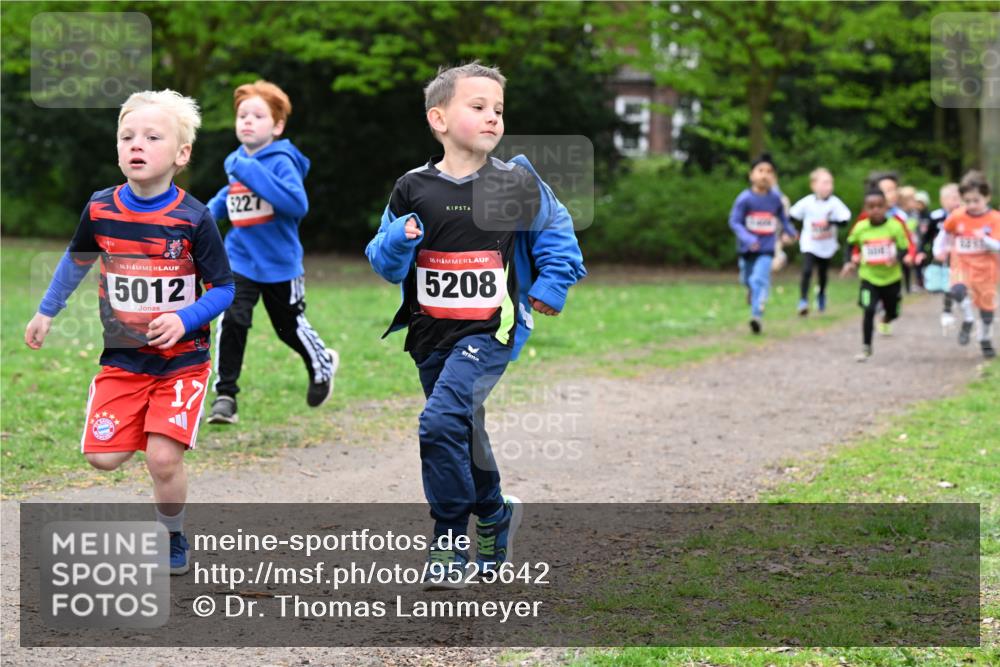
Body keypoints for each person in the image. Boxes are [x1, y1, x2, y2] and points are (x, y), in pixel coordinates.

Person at [365, 62, 585, 589]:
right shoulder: (412, 188)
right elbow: (383, 260)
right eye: (478, 107)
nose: (492, 118)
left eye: (499, 110)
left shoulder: (515, 182)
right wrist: (399, 239)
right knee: (463, 430)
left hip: (491, 332)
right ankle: (493, 512)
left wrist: (551, 287)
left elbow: (559, 235)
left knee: (439, 423)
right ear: (438, 118)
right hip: (429, 336)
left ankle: (447, 539)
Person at [23, 90, 234, 574]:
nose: (136, 144)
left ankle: (173, 537)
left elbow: (223, 289)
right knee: (104, 457)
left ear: (181, 155)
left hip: (182, 362)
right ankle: (150, 425)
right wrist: (46, 311)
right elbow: (76, 261)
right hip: (123, 361)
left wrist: (184, 318)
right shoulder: (100, 209)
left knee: (162, 460)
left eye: (152, 137)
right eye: (127, 136)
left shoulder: (194, 219)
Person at [206, 80, 338, 425]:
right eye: (242, 115)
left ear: (277, 126)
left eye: (258, 116)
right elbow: (228, 199)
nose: (247, 121)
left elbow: (297, 204)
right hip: (239, 260)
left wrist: (247, 170)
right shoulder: (238, 162)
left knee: (289, 327)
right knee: (232, 318)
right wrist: (200, 218)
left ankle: (322, 362)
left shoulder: (282, 161)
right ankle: (225, 396)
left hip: (280, 266)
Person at [728, 153, 796, 334]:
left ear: (773, 177)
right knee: (747, 279)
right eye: (760, 171)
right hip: (747, 248)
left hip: (766, 248)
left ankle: (756, 315)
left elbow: (783, 218)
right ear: (751, 174)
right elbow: (734, 221)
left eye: (769, 171)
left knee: (759, 279)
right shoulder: (745, 199)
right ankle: (751, 291)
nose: (764, 175)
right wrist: (749, 239)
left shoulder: (775, 200)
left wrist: (791, 231)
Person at [841, 188, 910, 361]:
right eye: (871, 207)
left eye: (880, 206)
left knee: (893, 311)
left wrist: (897, 258)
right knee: (868, 309)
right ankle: (866, 347)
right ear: (866, 208)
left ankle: (888, 317)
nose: (876, 210)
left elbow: (904, 247)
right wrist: (849, 261)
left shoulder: (894, 226)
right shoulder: (861, 227)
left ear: (886, 207)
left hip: (891, 278)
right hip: (869, 277)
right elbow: (849, 244)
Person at [941, 170, 1000, 359]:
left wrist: (985, 240)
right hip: (962, 265)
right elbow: (945, 232)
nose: (972, 205)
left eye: (976, 201)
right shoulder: (957, 216)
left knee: (986, 310)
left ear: (987, 197)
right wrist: (940, 250)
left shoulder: (995, 219)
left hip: (986, 270)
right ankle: (967, 318)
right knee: (957, 291)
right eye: (967, 201)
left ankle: (985, 339)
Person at [789, 167, 852, 315]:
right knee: (807, 271)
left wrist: (832, 222)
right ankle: (803, 300)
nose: (827, 186)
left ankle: (821, 294)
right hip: (810, 243)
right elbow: (791, 216)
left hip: (827, 246)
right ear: (813, 185)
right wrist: (792, 232)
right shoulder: (807, 202)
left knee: (823, 274)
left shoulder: (835, 203)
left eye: (830, 183)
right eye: (824, 183)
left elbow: (845, 220)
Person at [925, 183, 962, 332]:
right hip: (943, 257)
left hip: (963, 256)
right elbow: (927, 237)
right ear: (942, 200)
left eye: (958, 198)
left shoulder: (966, 216)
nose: (955, 201)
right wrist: (931, 253)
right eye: (951, 198)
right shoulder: (935, 217)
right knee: (948, 282)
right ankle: (947, 311)